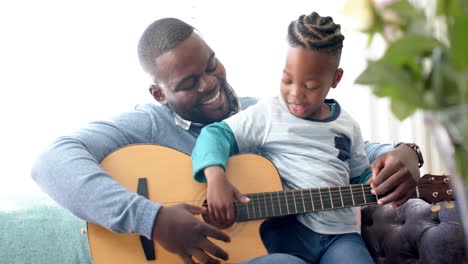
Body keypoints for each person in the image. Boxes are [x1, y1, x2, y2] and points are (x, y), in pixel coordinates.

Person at [31, 17, 422, 264]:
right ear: (159, 94)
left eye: (211, 64)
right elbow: (50, 162)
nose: (210, 83)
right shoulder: (148, 124)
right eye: (188, 83)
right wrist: (155, 221)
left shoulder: (263, 112)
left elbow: (343, 148)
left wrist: (403, 153)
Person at [191, 11, 391, 263]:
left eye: (310, 86)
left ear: (335, 79)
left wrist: (381, 179)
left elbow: (360, 175)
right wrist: (215, 176)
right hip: (285, 237)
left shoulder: (347, 125)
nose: (295, 94)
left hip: (341, 237)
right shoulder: (269, 113)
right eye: (287, 79)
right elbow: (216, 134)